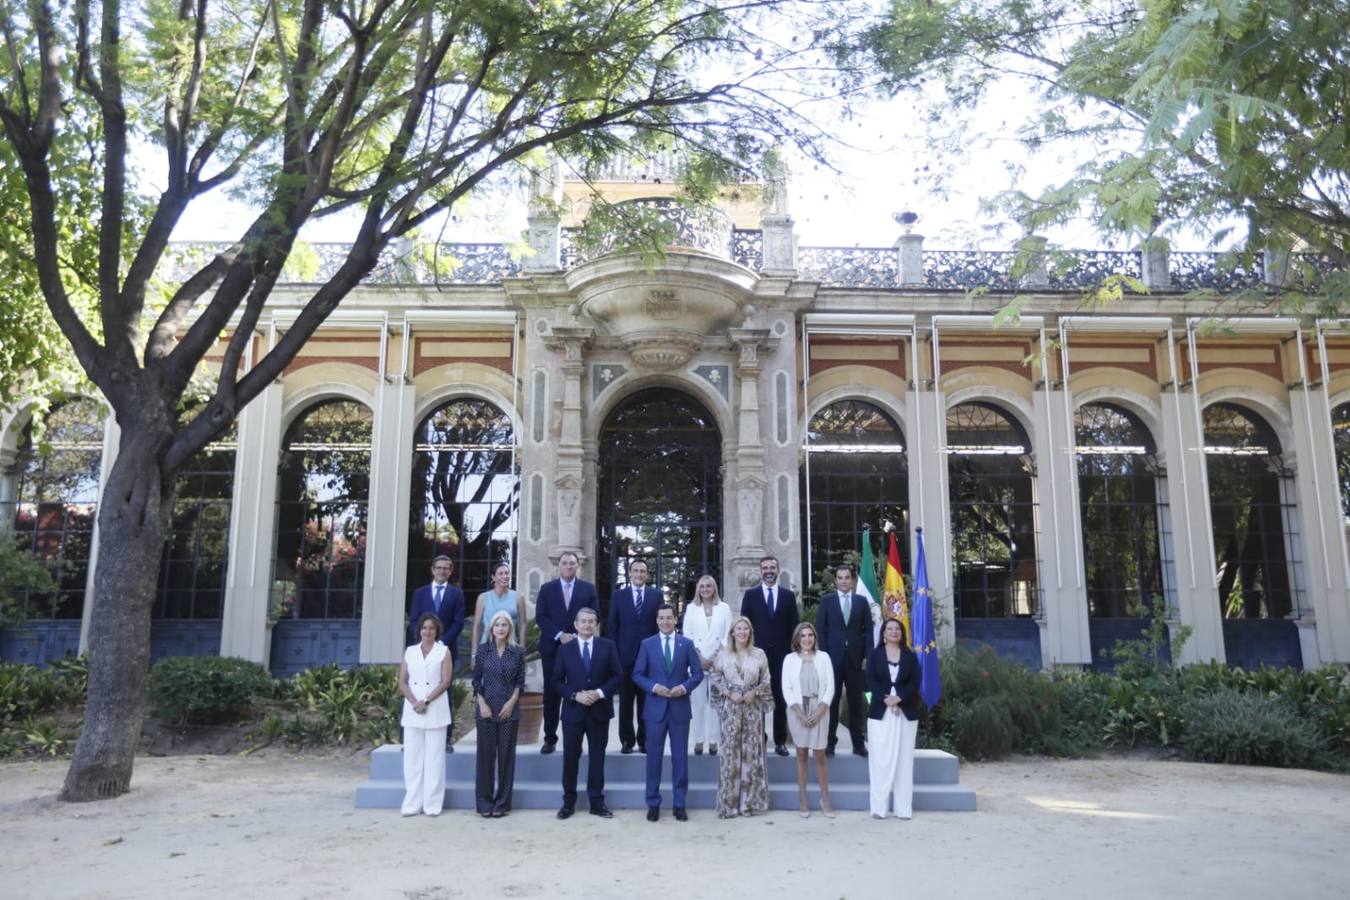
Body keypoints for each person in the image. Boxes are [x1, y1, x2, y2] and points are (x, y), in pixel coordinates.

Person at [632, 604, 703, 821]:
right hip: (654, 710)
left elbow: (698, 673)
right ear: (657, 621)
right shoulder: (647, 644)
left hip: (679, 709)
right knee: (653, 758)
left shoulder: (687, 644)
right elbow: (637, 674)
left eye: (669, 618)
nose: (665, 621)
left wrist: (683, 688)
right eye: (661, 618)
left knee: (680, 758)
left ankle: (679, 804)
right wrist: (654, 687)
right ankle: (653, 803)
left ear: (675, 620)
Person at [551, 607, 622, 819]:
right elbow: (555, 681)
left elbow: (618, 676)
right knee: (570, 757)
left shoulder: (608, 646)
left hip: (599, 711)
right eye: (583, 621)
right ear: (575, 624)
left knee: (597, 758)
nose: (587, 625)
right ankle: (568, 803)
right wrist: (574, 695)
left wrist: (600, 693)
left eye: (591, 621)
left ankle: (597, 803)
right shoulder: (565, 649)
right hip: (573, 712)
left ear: (596, 624)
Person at [707, 616, 773, 818]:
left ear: (750, 632)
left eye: (746, 629)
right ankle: (729, 805)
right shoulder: (723, 654)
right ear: (733, 633)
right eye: (739, 629)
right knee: (730, 754)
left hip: (752, 708)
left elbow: (766, 679)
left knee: (751, 754)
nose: (742, 632)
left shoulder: (759, 654)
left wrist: (755, 692)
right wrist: (728, 692)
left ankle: (748, 804)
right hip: (731, 708)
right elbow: (715, 676)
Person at [534, 551, 597, 754]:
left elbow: (595, 615)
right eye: (565, 563)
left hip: (580, 649)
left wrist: (578, 635)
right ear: (558, 566)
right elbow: (541, 617)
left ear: (577, 566)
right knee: (552, 695)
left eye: (572, 563)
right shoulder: (547, 589)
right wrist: (560, 635)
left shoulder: (588, 589)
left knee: (577, 692)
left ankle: (575, 739)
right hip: (553, 648)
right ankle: (550, 738)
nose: (568, 566)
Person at [740, 555, 798, 756]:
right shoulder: (750, 596)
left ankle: (780, 741)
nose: (769, 571)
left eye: (772, 567)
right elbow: (744, 627)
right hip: (756, 658)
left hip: (783, 657)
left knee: (780, 699)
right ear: (760, 570)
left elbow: (794, 628)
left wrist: (794, 654)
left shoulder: (788, 596)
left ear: (778, 569)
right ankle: (760, 739)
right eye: (765, 567)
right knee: (758, 699)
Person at [866, 617, 922, 819]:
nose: (893, 632)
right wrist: (887, 700)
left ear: (902, 633)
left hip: (906, 713)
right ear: (883, 633)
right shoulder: (874, 655)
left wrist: (899, 699)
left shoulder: (910, 656)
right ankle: (879, 808)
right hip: (880, 713)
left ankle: (903, 809)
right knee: (880, 760)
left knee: (904, 761)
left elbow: (915, 681)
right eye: (889, 629)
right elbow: (870, 680)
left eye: (897, 629)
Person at [398, 612, 453, 816]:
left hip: (435, 708)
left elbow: (445, 681)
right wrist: (414, 702)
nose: (427, 631)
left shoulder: (443, 651)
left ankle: (432, 804)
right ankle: (412, 803)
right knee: (412, 759)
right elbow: (402, 681)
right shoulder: (410, 651)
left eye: (431, 628)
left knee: (435, 759)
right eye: (424, 628)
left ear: (437, 631)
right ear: (419, 630)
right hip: (413, 710)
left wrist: (426, 700)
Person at [816, 563, 873, 757]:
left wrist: (867, 655)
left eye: (847, 577)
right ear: (835, 580)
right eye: (840, 578)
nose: (843, 581)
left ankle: (858, 744)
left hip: (856, 660)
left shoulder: (861, 602)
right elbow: (820, 631)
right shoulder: (827, 601)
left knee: (856, 702)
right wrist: (822, 657)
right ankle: (830, 742)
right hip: (832, 659)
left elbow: (869, 631)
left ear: (853, 580)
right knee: (831, 702)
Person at [472, 610, 525, 817]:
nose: (501, 628)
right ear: (491, 629)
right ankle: (484, 803)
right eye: (497, 625)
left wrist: (512, 702)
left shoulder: (518, 652)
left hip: (508, 711)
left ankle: (502, 803)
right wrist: (482, 704)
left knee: (506, 757)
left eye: (504, 625)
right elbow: (476, 681)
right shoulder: (483, 651)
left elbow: (520, 681)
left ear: (509, 628)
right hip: (486, 709)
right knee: (485, 758)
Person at [606, 558, 661, 754]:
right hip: (625, 657)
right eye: (635, 571)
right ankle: (627, 741)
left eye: (642, 571)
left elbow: (659, 627)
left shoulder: (656, 596)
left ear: (647, 574)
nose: (639, 574)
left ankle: (643, 741)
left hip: (648, 658)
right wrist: (614, 657)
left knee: (646, 701)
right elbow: (612, 628)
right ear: (630, 573)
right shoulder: (619, 596)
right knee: (626, 703)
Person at [782, 621, 836, 818]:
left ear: (815, 638)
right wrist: (801, 715)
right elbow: (786, 688)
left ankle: (825, 799)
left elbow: (830, 687)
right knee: (802, 754)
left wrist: (819, 712)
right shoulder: (789, 659)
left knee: (820, 755)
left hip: (820, 709)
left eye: (810, 635)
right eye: (803, 635)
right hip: (798, 711)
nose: (807, 639)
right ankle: (803, 799)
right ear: (797, 639)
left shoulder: (824, 658)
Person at [681, 574, 732, 756]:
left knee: (715, 703)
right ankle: (698, 740)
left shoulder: (724, 608)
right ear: (698, 589)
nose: (705, 589)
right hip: (697, 661)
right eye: (702, 586)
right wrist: (699, 658)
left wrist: (718, 654)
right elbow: (687, 634)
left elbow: (727, 633)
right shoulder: (692, 608)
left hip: (718, 661)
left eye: (708, 586)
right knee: (698, 702)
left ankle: (712, 741)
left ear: (714, 588)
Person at [407, 555, 466, 656]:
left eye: (445, 568)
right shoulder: (419, 593)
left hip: (446, 648)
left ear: (450, 572)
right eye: (438, 568)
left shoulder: (457, 594)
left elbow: (458, 623)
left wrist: (441, 642)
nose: (442, 571)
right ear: (432, 570)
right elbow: (414, 621)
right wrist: (425, 639)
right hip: (422, 648)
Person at [471, 562, 527, 664]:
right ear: (493, 577)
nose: (504, 576)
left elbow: (523, 625)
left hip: (511, 648)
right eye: (500, 573)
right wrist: (474, 654)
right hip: (487, 647)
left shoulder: (518, 598)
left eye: (506, 573)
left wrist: (522, 650)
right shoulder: (483, 598)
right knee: (488, 679)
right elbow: (477, 626)